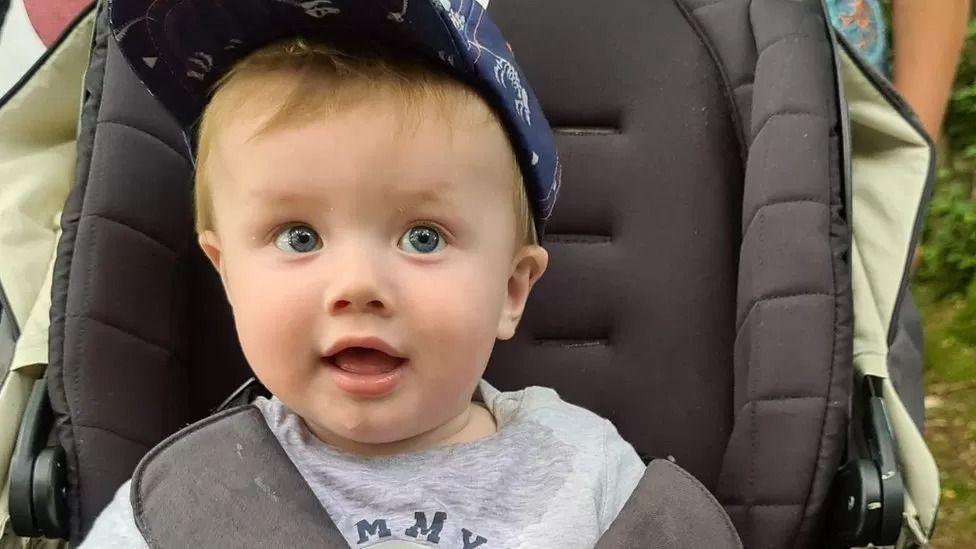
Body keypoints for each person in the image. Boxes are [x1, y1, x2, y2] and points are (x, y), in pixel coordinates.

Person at [79, 1, 646, 547]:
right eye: (298, 237)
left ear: (511, 289)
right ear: (227, 275)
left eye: (423, 238)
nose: (357, 285)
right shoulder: (180, 501)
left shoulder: (588, 469)